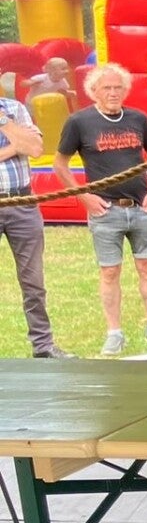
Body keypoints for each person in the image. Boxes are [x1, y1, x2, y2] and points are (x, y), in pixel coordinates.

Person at [52, 63, 147, 355]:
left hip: (141, 208)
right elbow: (60, 164)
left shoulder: (138, 118)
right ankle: (114, 333)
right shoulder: (79, 122)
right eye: (107, 88)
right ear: (94, 91)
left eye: (118, 88)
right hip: (105, 211)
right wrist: (83, 196)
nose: (113, 93)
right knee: (110, 271)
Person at [0, 93, 70, 357]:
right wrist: (15, 146)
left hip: (23, 203)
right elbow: (24, 144)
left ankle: (43, 346)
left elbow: (36, 149)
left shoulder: (14, 108)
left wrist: (3, 121)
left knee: (33, 282)